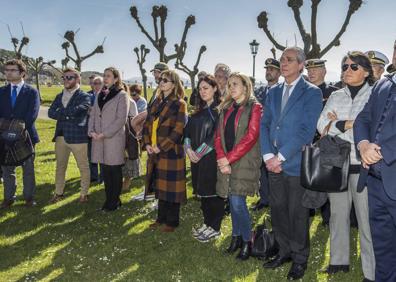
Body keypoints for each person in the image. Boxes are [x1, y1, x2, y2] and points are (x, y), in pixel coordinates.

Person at [261, 47, 322, 280]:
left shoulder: (311, 93)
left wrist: (281, 157)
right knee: (277, 210)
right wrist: (268, 156)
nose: (283, 63)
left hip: (295, 164)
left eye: (289, 60)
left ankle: (299, 259)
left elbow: (307, 131)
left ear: (301, 65)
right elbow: (265, 124)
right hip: (272, 165)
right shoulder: (273, 91)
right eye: (281, 60)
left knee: (297, 214)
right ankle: (283, 251)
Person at [317, 51, 376, 281]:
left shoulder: (374, 94)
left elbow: (371, 128)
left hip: (364, 166)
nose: (346, 70)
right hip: (337, 165)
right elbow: (321, 124)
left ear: (366, 71)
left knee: (366, 221)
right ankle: (338, 261)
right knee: (337, 216)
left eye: (353, 67)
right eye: (344, 66)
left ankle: (371, 272)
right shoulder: (336, 95)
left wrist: (337, 123)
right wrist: (349, 123)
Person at [354, 41, 396, 282]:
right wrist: (362, 145)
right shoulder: (383, 83)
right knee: (382, 245)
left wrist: (380, 151)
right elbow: (363, 118)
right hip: (375, 182)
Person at [215, 72, 262, 260]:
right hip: (226, 160)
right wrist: (221, 158)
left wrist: (229, 159)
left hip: (245, 160)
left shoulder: (255, 107)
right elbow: (218, 136)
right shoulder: (226, 107)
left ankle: (247, 240)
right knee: (232, 202)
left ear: (246, 86)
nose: (231, 87)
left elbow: (251, 137)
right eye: (229, 84)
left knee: (237, 202)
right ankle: (235, 237)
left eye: (236, 84)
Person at [143, 70, 187, 232]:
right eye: (160, 79)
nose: (161, 82)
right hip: (154, 150)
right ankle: (160, 218)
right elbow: (147, 124)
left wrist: (160, 146)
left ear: (174, 84)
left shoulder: (180, 104)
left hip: (171, 152)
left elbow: (178, 130)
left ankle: (172, 222)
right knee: (160, 187)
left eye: (165, 80)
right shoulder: (156, 102)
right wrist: (147, 143)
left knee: (172, 189)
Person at [185, 75, 224, 242]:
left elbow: (215, 136)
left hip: (211, 158)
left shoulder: (220, 111)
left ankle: (215, 227)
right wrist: (188, 149)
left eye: (206, 88)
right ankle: (207, 224)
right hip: (196, 159)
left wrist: (199, 153)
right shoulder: (197, 111)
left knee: (212, 193)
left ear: (215, 88)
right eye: (200, 89)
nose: (202, 92)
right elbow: (186, 132)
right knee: (201, 192)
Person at [88, 67, 129, 211]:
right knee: (105, 171)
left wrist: (105, 134)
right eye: (104, 75)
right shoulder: (100, 93)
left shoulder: (121, 95)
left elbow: (121, 119)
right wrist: (91, 131)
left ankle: (114, 201)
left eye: (109, 76)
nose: (105, 78)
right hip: (98, 138)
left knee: (114, 171)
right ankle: (109, 200)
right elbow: (93, 114)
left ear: (116, 79)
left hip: (113, 138)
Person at [0, 59, 40, 208]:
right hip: (3, 137)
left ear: (22, 73)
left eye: (12, 70)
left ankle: (29, 198)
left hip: (26, 135)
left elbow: (32, 115)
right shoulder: (1, 91)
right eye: (7, 70)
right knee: (7, 169)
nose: (8, 72)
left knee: (28, 169)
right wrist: (6, 132)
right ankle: (8, 198)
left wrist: (16, 131)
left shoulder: (32, 92)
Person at [48, 68, 91, 203]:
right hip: (60, 136)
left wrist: (62, 113)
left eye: (69, 77)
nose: (66, 80)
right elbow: (50, 112)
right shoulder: (59, 96)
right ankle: (58, 194)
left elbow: (79, 111)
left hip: (78, 137)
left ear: (77, 79)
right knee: (60, 167)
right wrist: (68, 113)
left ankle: (84, 194)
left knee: (83, 167)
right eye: (64, 77)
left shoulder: (84, 96)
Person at [305, 58, 339, 225]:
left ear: (324, 71)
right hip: (306, 142)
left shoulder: (334, 92)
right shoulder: (302, 91)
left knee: (326, 180)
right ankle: (308, 210)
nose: (311, 72)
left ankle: (327, 217)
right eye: (309, 70)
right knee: (307, 179)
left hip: (326, 143)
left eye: (316, 69)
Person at [252, 58, 281, 211]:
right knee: (261, 169)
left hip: (275, 137)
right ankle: (264, 199)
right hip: (259, 136)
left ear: (279, 72)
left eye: (272, 69)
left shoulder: (283, 90)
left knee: (274, 170)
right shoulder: (259, 91)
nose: (268, 71)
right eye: (267, 69)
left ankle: (276, 201)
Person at [122, 86, 139, 192]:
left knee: (128, 159)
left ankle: (126, 184)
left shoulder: (131, 102)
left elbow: (135, 120)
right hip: (116, 135)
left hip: (128, 136)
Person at [87, 76, 103, 183]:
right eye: (93, 83)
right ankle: (93, 176)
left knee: (102, 155)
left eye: (98, 83)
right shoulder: (87, 95)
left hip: (102, 130)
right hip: (90, 128)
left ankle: (102, 177)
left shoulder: (106, 95)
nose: (95, 85)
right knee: (91, 154)